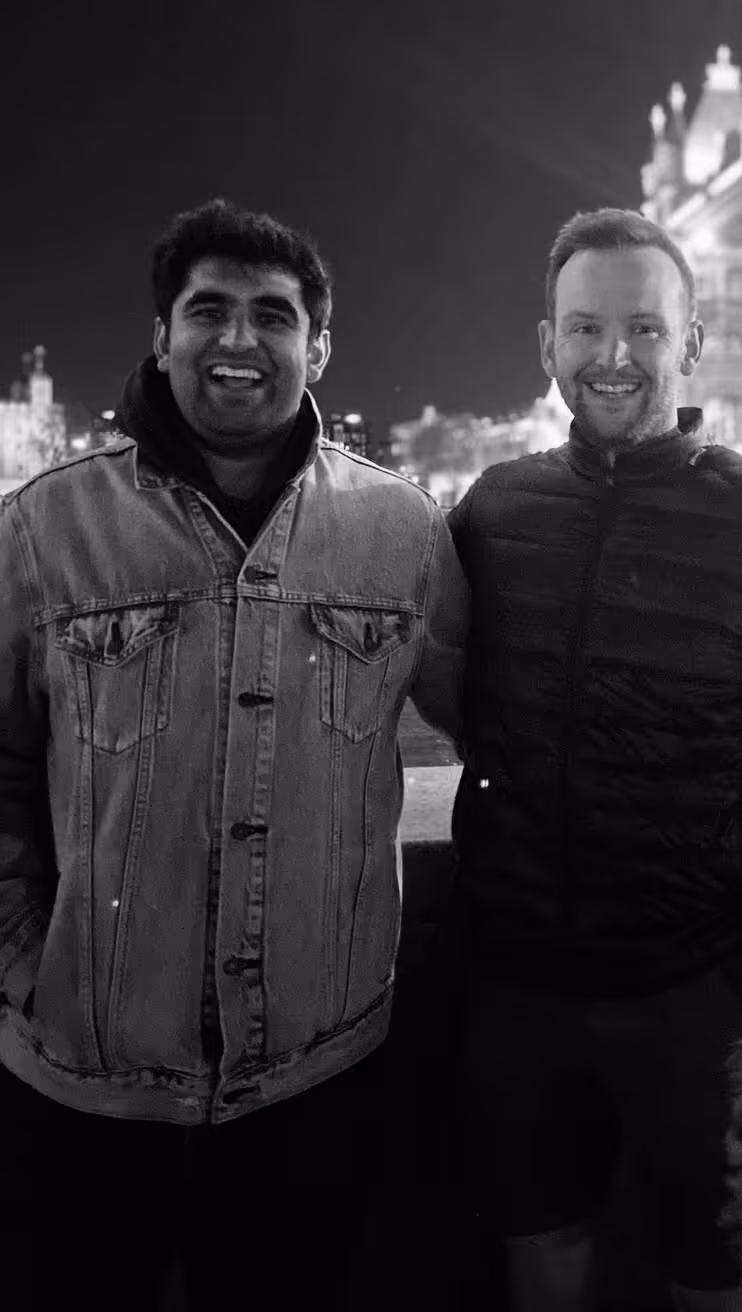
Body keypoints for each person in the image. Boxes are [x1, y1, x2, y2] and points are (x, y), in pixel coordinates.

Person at [0, 199, 467, 1311]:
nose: (239, 340)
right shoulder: (41, 530)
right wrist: (22, 965)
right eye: (208, 310)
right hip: (85, 1085)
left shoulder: (403, 533)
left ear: (318, 347)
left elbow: (503, 726)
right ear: (162, 335)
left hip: (317, 1078)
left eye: (274, 314)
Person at [448, 207, 742, 1312]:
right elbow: (446, 694)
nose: (614, 356)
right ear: (546, 344)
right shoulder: (492, 511)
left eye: (646, 330)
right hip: (519, 991)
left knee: (714, 1284)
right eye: (587, 328)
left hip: (693, 1000)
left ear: (691, 344)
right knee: (539, 1262)